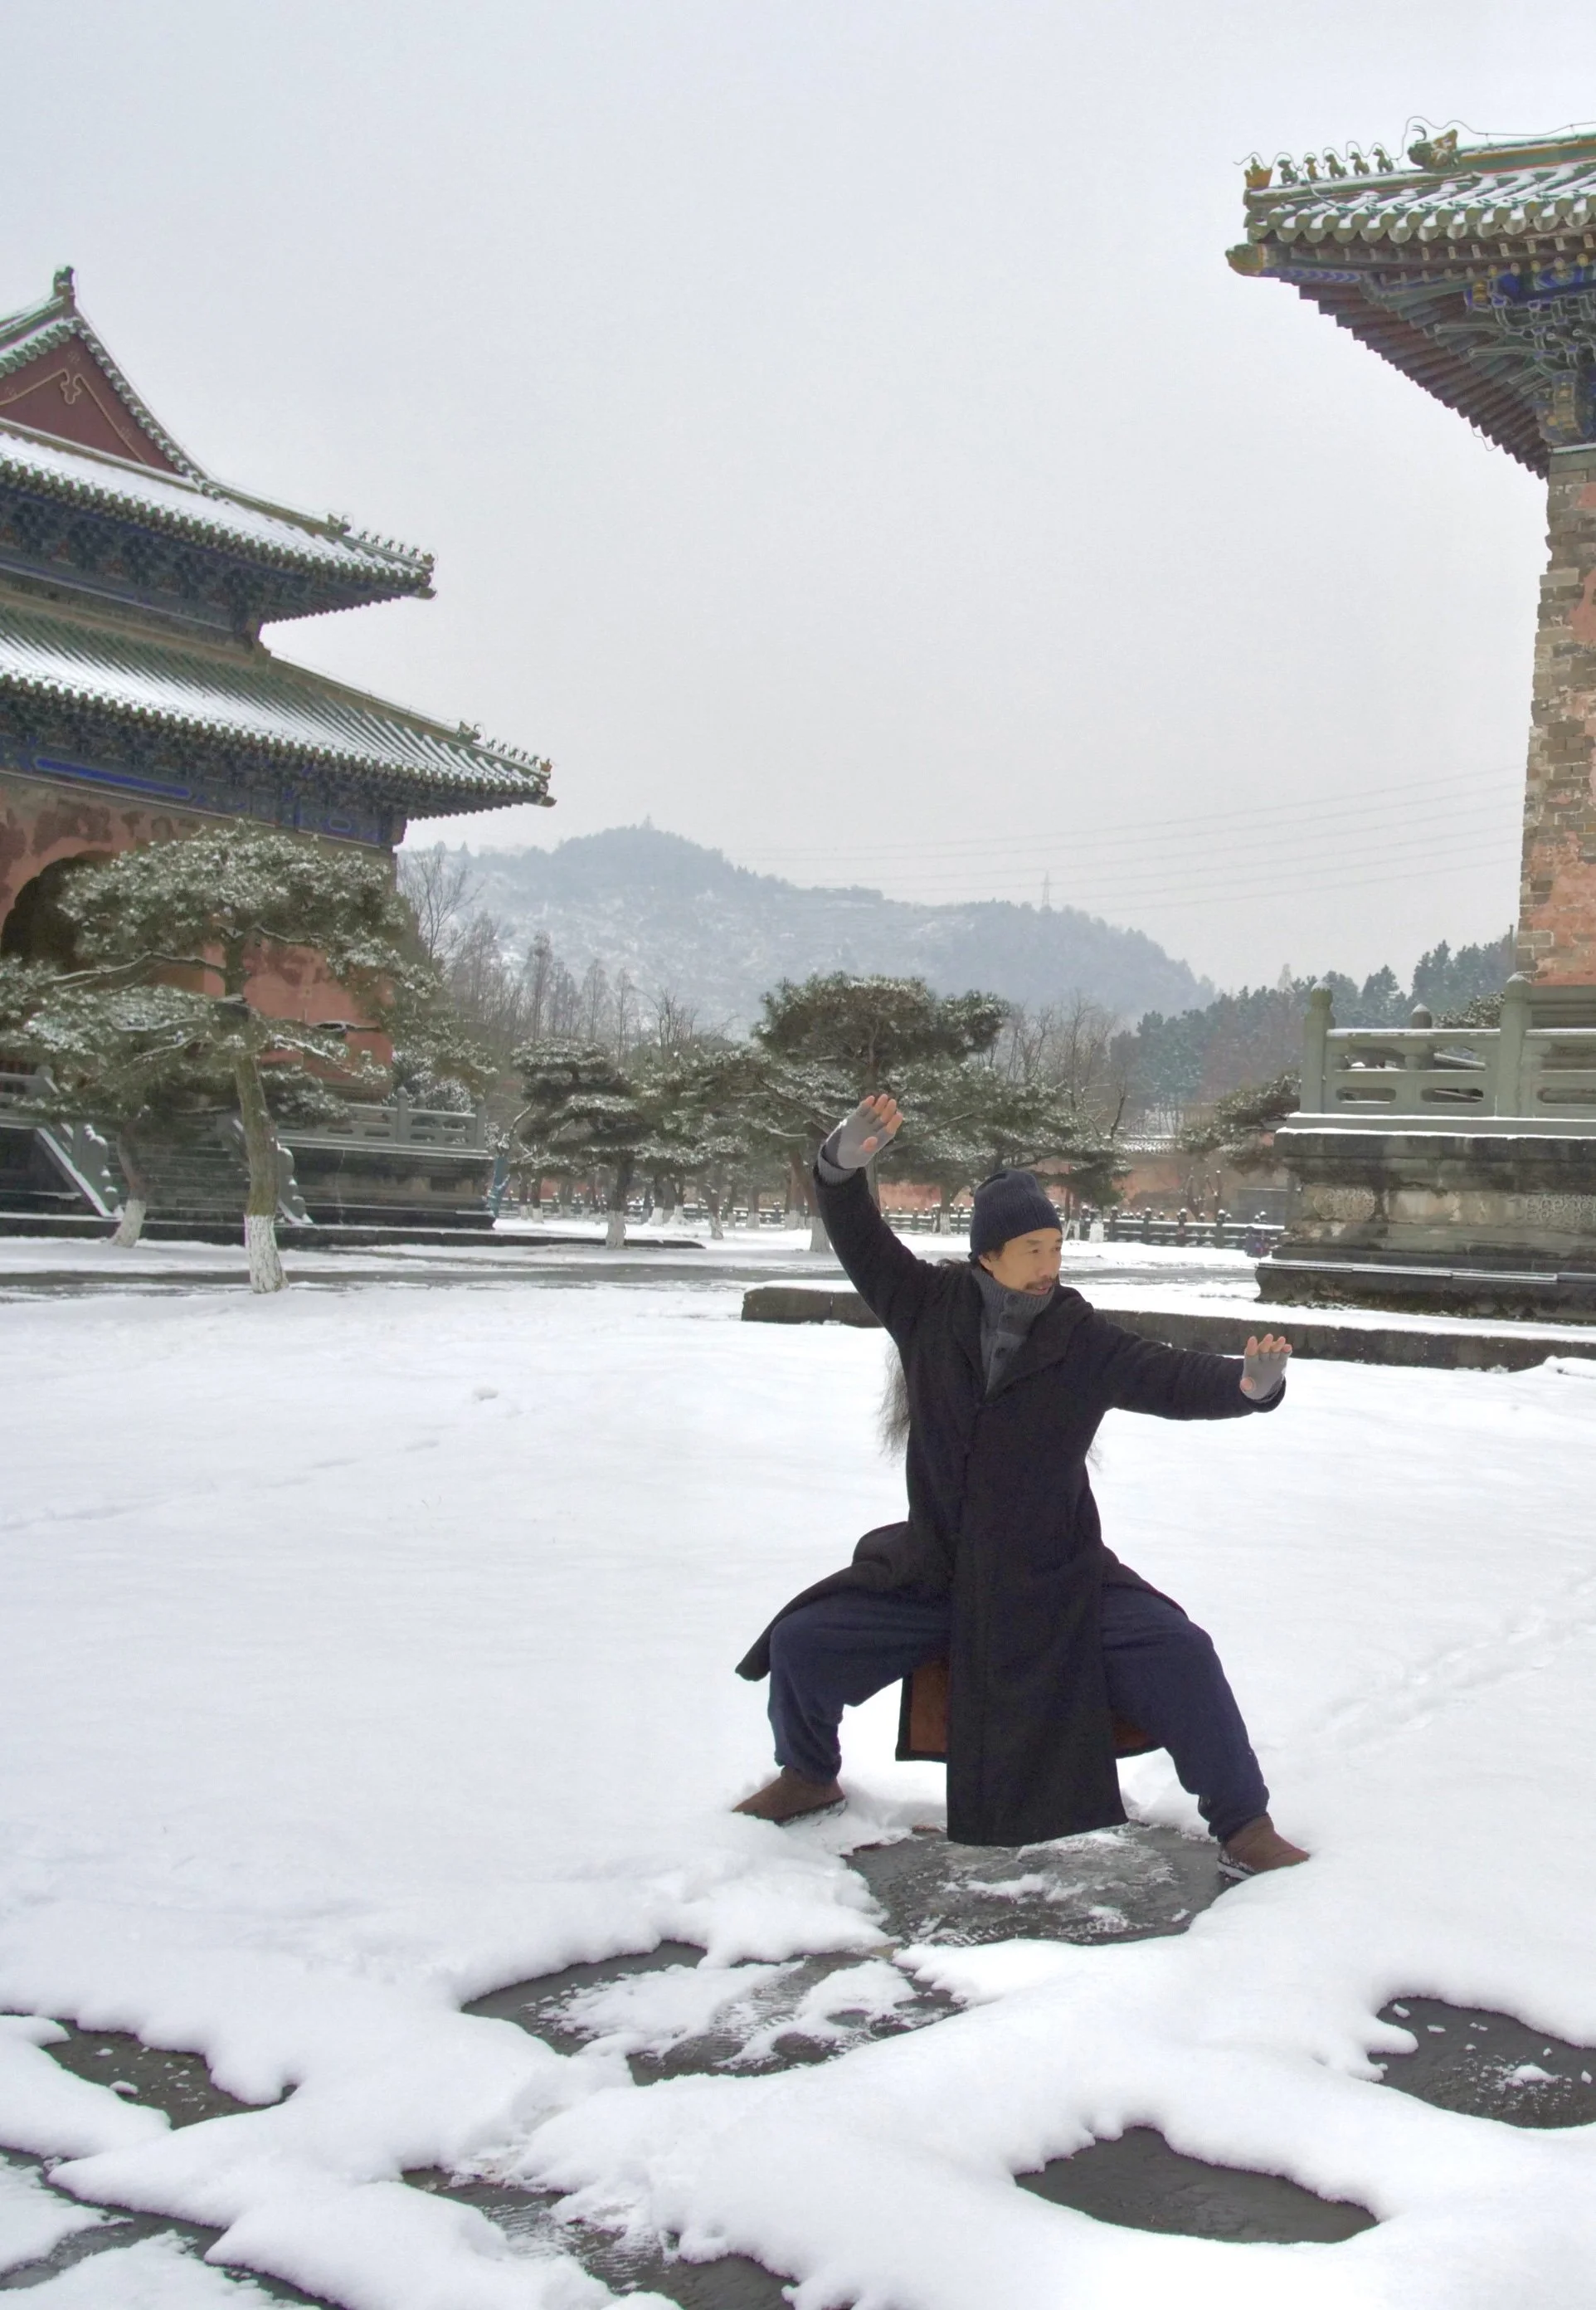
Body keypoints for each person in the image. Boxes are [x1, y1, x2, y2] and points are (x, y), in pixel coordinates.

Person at [734, 1094, 1306, 1879]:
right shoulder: (927, 1308)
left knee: (1180, 1652)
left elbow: (1168, 1376)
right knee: (806, 1643)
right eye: (1032, 1250)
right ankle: (807, 1775)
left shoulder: (1081, 1339)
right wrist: (839, 1168)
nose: (1049, 1267)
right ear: (987, 1257)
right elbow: (860, 1237)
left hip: (1056, 1579)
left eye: (1056, 1249)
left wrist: (1248, 1386)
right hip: (935, 1572)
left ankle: (1244, 1825)